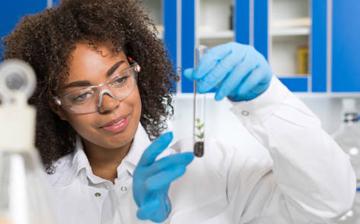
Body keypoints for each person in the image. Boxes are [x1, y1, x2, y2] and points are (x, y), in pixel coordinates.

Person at [2, 0, 355, 223]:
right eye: (81, 95)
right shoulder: (36, 189)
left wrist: (266, 99)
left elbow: (328, 204)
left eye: (119, 78)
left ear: (138, 71)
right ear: (58, 109)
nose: (108, 103)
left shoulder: (212, 167)